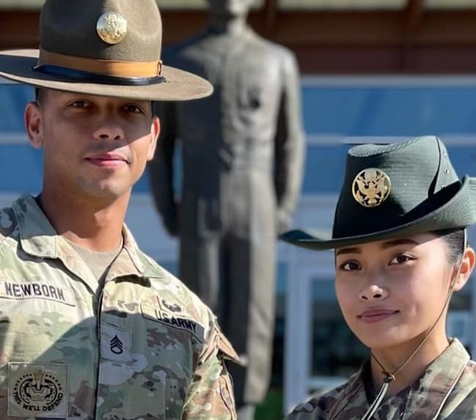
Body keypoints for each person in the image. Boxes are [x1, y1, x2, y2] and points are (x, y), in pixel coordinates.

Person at [0, 0, 241, 418]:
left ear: (153, 137)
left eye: (131, 109)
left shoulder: (185, 318)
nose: (108, 128)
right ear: (36, 124)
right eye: (81, 105)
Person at [281, 136, 476, 420]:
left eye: (400, 259)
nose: (371, 288)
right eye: (351, 265)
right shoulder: (314, 416)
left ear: (460, 269)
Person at [148, 0, 305, 417]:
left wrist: (284, 204)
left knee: (253, 307)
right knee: (202, 302)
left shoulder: (276, 60)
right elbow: (161, 144)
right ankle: (200, 402)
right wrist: (167, 207)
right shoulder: (182, 60)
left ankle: (247, 404)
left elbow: (290, 140)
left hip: (256, 195)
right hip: (200, 193)